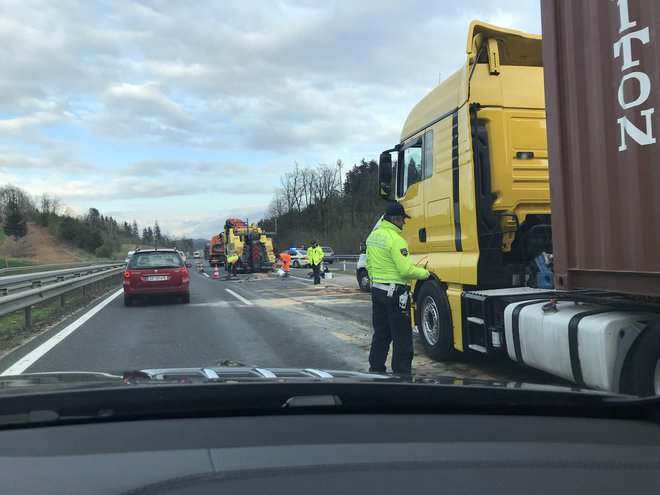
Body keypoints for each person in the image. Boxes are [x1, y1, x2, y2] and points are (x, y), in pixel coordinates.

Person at [366, 203, 430, 375]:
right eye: (402, 220)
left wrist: (376, 281)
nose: (404, 224)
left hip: (378, 291)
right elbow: (406, 271)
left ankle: (376, 370)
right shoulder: (396, 240)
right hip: (396, 294)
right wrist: (426, 274)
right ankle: (402, 376)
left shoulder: (372, 237)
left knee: (381, 334)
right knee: (402, 338)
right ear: (395, 219)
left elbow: (369, 265)